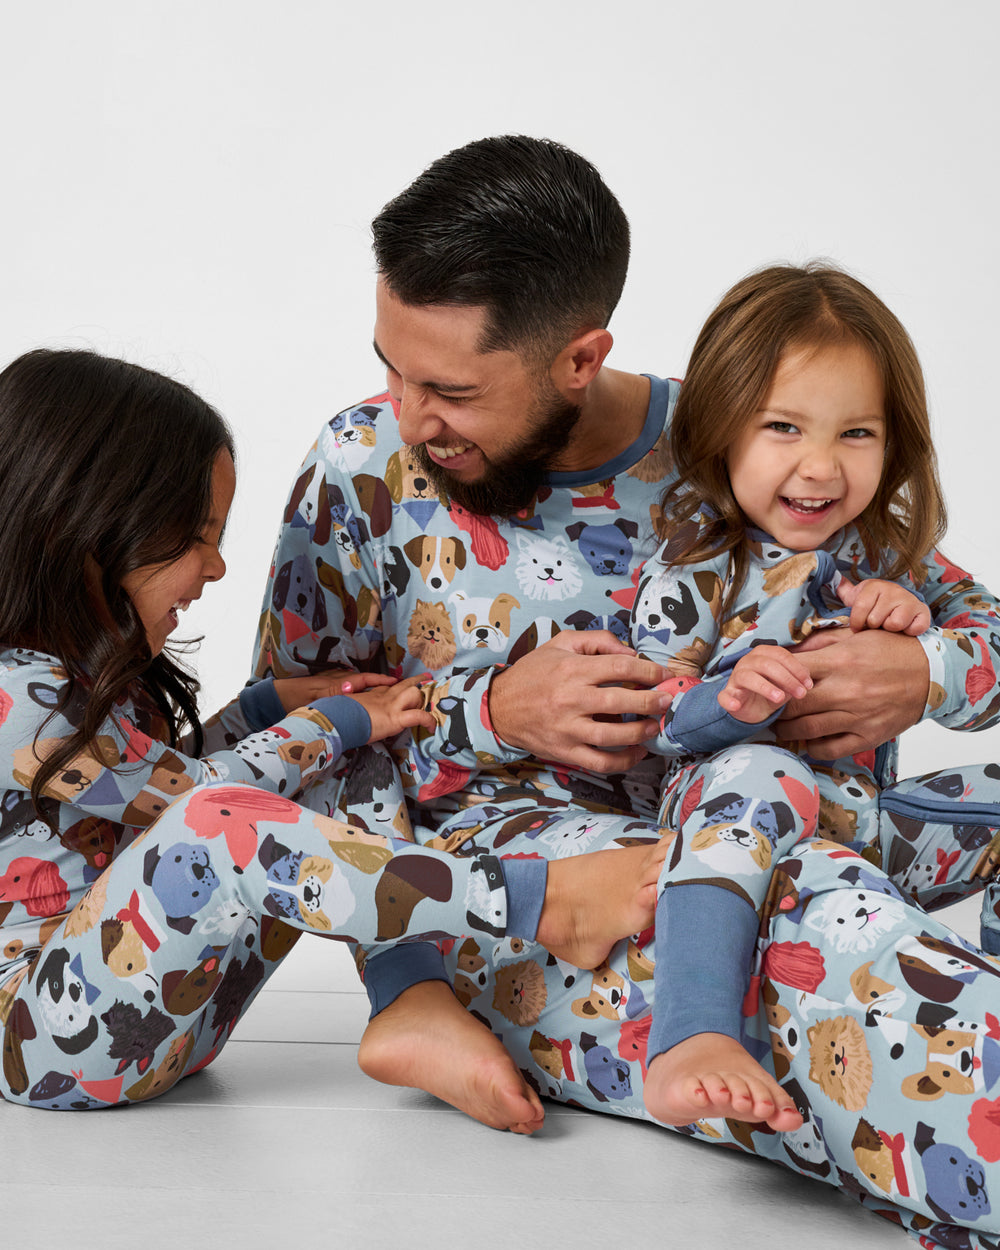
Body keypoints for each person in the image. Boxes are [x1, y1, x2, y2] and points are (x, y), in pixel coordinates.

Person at [253, 137, 1000, 1243]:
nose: (410, 417)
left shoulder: (746, 436)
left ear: (578, 355)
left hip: (795, 836)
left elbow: (948, 603)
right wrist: (490, 709)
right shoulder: (363, 464)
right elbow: (286, 728)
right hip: (558, 898)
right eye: (392, 366)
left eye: (452, 389)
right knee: (842, 972)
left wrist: (923, 671)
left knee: (842, 909)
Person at [0, 347, 668, 1112]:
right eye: (196, 535)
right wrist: (329, 719)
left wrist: (270, 710)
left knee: (339, 758)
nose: (217, 567)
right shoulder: (16, 697)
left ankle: (409, 996)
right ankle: (540, 901)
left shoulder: (87, 682)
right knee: (246, 801)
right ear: (85, 526)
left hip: (167, 1004)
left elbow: (152, 813)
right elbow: (189, 811)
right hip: (45, 1035)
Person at [629, 262, 1000, 1130]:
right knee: (758, 769)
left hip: (872, 830)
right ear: (723, 428)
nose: (821, 466)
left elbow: (990, 647)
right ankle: (692, 1033)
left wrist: (926, 648)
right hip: (744, 838)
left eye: (858, 433)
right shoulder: (695, 567)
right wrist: (731, 701)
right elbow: (655, 716)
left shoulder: (898, 556)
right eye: (784, 427)